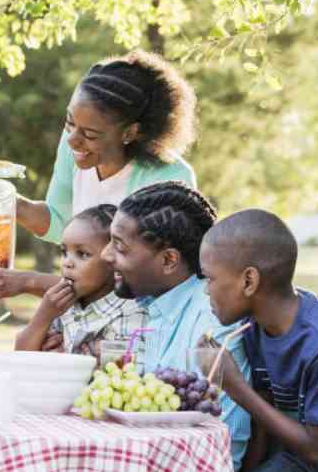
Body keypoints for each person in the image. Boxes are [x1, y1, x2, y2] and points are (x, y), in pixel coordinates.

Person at [0, 50, 199, 309]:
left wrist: (28, 282)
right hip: (83, 313)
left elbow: (136, 282)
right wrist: (10, 203)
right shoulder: (75, 148)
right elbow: (60, 222)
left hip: (139, 321)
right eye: (70, 124)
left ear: (130, 132)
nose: (73, 140)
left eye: (89, 133)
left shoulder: (167, 176)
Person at [98, 181, 250, 470]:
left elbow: (222, 444)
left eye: (119, 246)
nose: (105, 255)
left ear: (169, 260)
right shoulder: (153, 304)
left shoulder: (212, 321)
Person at [200, 209, 318, 471]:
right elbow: (264, 414)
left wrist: (234, 386)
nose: (205, 289)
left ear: (249, 281)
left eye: (210, 278)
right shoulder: (252, 328)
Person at [14, 204, 148, 358]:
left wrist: (62, 359)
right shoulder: (63, 306)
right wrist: (43, 316)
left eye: (82, 254)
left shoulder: (129, 313)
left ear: (113, 261)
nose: (67, 262)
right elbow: (20, 359)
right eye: (64, 252)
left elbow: (115, 376)